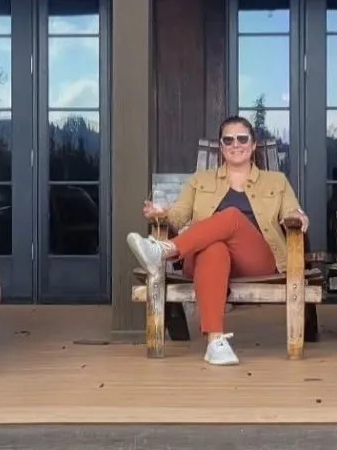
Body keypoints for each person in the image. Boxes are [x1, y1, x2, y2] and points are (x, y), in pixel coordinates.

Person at [124, 116, 310, 366]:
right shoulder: (200, 180)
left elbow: (292, 212)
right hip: (203, 261)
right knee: (214, 247)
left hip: (256, 259)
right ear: (221, 147)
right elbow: (178, 216)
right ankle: (215, 342)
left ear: (253, 145)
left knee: (230, 217)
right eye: (228, 140)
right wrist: (162, 212)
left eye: (242, 138)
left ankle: (164, 250)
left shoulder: (276, 181)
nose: (236, 144)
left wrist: (298, 215)